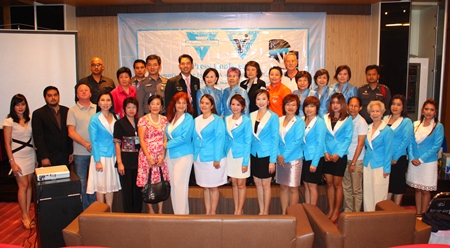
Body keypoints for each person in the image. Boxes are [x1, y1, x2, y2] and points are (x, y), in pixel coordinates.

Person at [3, 94, 36, 229]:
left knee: (29, 186)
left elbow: (33, 139)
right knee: (23, 186)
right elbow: (7, 144)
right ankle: (24, 216)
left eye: (22, 104)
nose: (20, 107)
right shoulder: (9, 121)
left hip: (30, 155)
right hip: (17, 157)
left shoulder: (30, 119)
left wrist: (36, 158)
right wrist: (12, 162)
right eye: (17, 105)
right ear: (13, 106)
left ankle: (27, 214)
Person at [406, 99, 444, 214]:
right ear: (422, 110)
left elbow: (436, 146)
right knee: (417, 189)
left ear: (435, 112)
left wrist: (421, 159)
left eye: (431, 110)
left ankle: (424, 214)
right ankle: (418, 213)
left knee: (425, 190)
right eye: (426, 109)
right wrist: (412, 157)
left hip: (428, 162)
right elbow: (410, 142)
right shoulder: (415, 124)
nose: (428, 112)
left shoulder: (438, 126)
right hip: (414, 161)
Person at [86, 92, 121, 211]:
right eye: (103, 100)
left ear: (112, 103)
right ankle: (101, 211)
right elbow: (93, 140)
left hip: (112, 155)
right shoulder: (95, 118)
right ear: (98, 103)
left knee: (110, 185)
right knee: (100, 186)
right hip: (100, 156)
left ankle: (109, 210)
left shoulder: (116, 117)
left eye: (108, 100)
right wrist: (97, 160)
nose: (105, 103)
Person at [193, 94, 226, 215]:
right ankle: (207, 212)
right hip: (199, 158)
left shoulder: (217, 120)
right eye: (202, 103)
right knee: (205, 187)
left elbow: (220, 140)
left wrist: (217, 158)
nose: (204, 105)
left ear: (212, 105)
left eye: (207, 103)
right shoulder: (196, 119)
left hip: (213, 159)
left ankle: (213, 212)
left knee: (213, 187)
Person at [323, 93, 353, 222]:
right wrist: (325, 152)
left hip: (339, 156)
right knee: (329, 183)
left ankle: (337, 210)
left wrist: (338, 154)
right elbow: (321, 137)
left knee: (337, 184)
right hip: (327, 155)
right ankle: (330, 209)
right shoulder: (325, 117)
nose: (335, 105)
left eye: (338, 103)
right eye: (333, 102)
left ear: (342, 105)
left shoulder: (348, 119)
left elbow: (348, 139)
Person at [136, 95, 169, 214]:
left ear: (161, 106)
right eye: (153, 104)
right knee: (148, 182)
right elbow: (141, 140)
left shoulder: (165, 120)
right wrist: (148, 157)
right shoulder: (143, 120)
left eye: (158, 104)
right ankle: (150, 209)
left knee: (160, 182)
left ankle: (160, 210)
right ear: (149, 106)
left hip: (161, 155)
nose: (155, 106)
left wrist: (162, 156)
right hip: (147, 156)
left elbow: (166, 140)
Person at [67, 84, 97, 209]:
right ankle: (85, 209)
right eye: (81, 91)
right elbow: (71, 132)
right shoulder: (72, 110)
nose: (84, 92)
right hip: (80, 152)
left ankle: (95, 208)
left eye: (86, 90)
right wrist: (86, 144)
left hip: (97, 152)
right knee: (82, 182)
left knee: (95, 181)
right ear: (77, 94)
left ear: (90, 94)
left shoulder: (97, 108)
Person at [250, 89, 279, 215]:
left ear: (268, 101)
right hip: (254, 153)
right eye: (258, 99)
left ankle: (266, 212)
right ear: (255, 101)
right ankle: (261, 210)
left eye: (263, 99)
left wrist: (272, 161)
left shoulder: (273, 117)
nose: (261, 102)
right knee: (257, 183)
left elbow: (275, 139)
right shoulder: (251, 115)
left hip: (266, 154)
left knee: (266, 185)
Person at [165, 92, 195, 214]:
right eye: (179, 102)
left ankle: (182, 217)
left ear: (187, 105)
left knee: (180, 186)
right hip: (170, 155)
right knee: (174, 186)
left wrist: (166, 145)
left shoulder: (188, 118)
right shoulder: (171, 118)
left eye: (184, 103)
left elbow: (185, 137)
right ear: (174, 104)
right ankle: (177, 215)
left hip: (184, 155)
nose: (181, 105)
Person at [276, 94, 305, 215]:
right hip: (280, 158)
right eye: (288, 104)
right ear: (284, 106)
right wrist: (278, 155)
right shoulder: (279, 119)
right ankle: (284, 213)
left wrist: (284, 155)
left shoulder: (299, 122)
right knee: (283, 187)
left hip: (294, 158)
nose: (290, 107)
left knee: (293, 188)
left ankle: (292, 214)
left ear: (297, 106)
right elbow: (275, 140)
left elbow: (297, 141)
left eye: (293, 104)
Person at [363, 100, 393, 212]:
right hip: (368, 163)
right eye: (372, 111)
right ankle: (368, 216)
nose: (375, 113)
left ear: (382, 113)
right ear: (369, 113)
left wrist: (387, 169)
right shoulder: (368, 127)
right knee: (368, 192)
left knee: (379, 192)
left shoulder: (387, 130)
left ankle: (379, 218)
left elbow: (388, 151)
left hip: (380, 165)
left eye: (377, 111)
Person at [224, 94, 252, 215]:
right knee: (234, 183)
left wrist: (245, 162)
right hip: (230, 155)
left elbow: (248, 142)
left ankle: (240, 209)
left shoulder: (246, 120)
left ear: (243, 106)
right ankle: (236, 208)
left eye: (238, 105)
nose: (235, 107)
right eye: (233, 104)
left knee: (241, 184)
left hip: (241, 155)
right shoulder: (226, 119)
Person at [32, 86, 73, 167]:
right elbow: (38, 137)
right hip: (49, 156)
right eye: (49, 95)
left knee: (66, 179)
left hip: (65, 154)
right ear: (45, 98)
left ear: (58, 96)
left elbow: (69, 133)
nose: (53, 98)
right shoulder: (38, 113)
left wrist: (70, 152)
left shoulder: (67, 111)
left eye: (55, 95)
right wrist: (44, 157)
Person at [113, 97, 142, 213]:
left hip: (139, 161)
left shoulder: (140, 122)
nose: (131, 110)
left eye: (133, 107)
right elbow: (117, 144)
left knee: (138, 190)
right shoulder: (119, 123)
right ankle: (129, 216)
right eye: (128, 107)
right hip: (125, 161)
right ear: (124, 109)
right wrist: (120, 163)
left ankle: (138, 214)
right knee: (127, 191)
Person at [383, 94, 412, 206]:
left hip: (398, 157)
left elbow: (406, 141)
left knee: (397, 184)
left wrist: (395, 157)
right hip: (385, 156)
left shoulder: (406, 121)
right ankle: (386, 208)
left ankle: (396, 209)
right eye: (393, 104)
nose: (395, 107)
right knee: (388, 185)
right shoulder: (385, 118)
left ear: (403, 107)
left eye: (398, 104)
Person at [343, 97, 367, 212]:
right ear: (347, 106)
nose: (353, 108)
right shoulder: (346, 119)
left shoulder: (361, 122)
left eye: (356, 106)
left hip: (356, 159)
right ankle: (348, 210)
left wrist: (353, 162)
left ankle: (356, 213)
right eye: (351, 105)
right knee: (346, 187)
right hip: (345, 157)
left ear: (360, 108)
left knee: (356, 189)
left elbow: (360, 144)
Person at [302, 96, 326, 206]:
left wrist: (314, 163)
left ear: (317, 108)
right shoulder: (302, 120)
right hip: (304, 156)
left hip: (314, 158)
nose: (309, 109)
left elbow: (320, 144)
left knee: (312, 186)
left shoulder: (319, 122)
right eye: (307, 106)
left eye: (312, 106)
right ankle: (308, 208)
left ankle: (313, 211)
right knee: (306, 185)